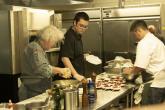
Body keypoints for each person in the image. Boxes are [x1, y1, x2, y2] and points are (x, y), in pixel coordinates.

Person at [19, 25, 71, 101]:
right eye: (54, 42)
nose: (53, 45)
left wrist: (56, 72)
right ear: (48, 39)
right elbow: (42, 69)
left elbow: (43, 70)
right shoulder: (35, 48)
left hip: (37, 91)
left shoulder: (39, 48)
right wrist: (60, 70)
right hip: (31, 93)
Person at [123, 20, 165, 104]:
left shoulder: (144, 43)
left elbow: (140, 66)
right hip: (162, 82)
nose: (135, 36)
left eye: (134, 33)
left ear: (138, 31)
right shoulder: (156, 40)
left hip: (153, 84)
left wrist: (130, 72)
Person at [58, 12, 89, 81]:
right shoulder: (69, 36)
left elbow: (74, 53)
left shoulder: (77, 35)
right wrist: (75, 74)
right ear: (75, 22)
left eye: (85, 27)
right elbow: (65, 58)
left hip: (78, 76)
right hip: (70, 79)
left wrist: (83, 55)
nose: (83, 29)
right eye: (81, 25)